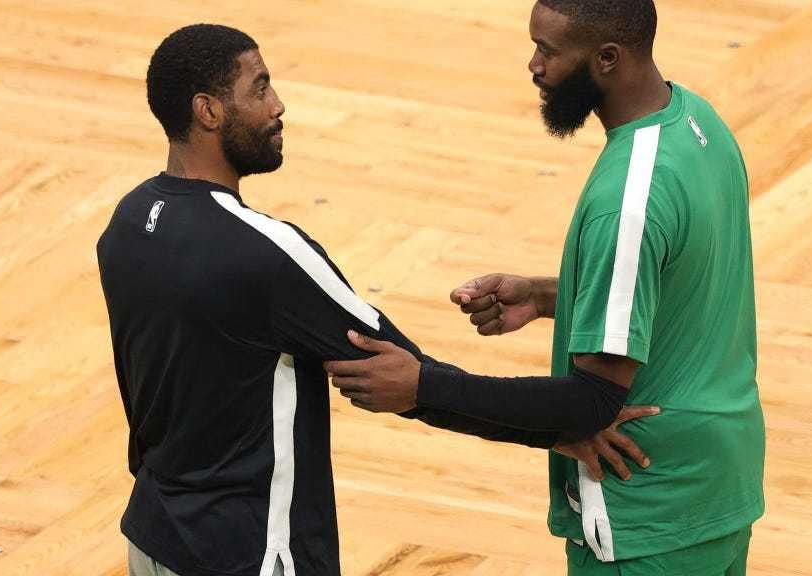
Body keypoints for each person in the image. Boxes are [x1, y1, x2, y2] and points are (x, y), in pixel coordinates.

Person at [98, 22, 656, 576]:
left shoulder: (125, 225)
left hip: (151, 541)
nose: (278, 105)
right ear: (209, 111)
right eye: (260, 88)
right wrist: (563, 424)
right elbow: (410, 380)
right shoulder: (265, 253)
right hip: (249, 557)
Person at [324, 1, 765, 574]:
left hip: (648, 515)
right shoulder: (697, 123)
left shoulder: (628, 200)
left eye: (548, 51)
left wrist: (423, 387)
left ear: (607, 58)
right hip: (721, 487)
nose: (534, 66)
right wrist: (545, 296)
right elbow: (679, 282)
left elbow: (590, 405)